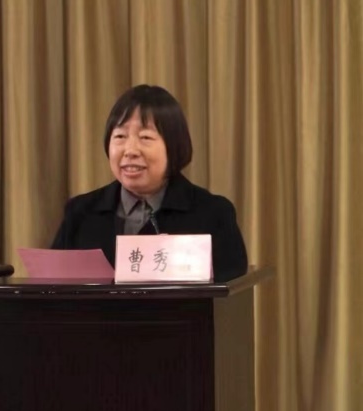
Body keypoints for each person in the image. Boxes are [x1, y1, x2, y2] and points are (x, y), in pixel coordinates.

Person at [50, 84, 249, 282]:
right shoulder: (80, 212)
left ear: (173, 145)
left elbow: (231, 294)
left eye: (145, 137)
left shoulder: (212, 214)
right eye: (120, 136)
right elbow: (52, 287)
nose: (130, 150)